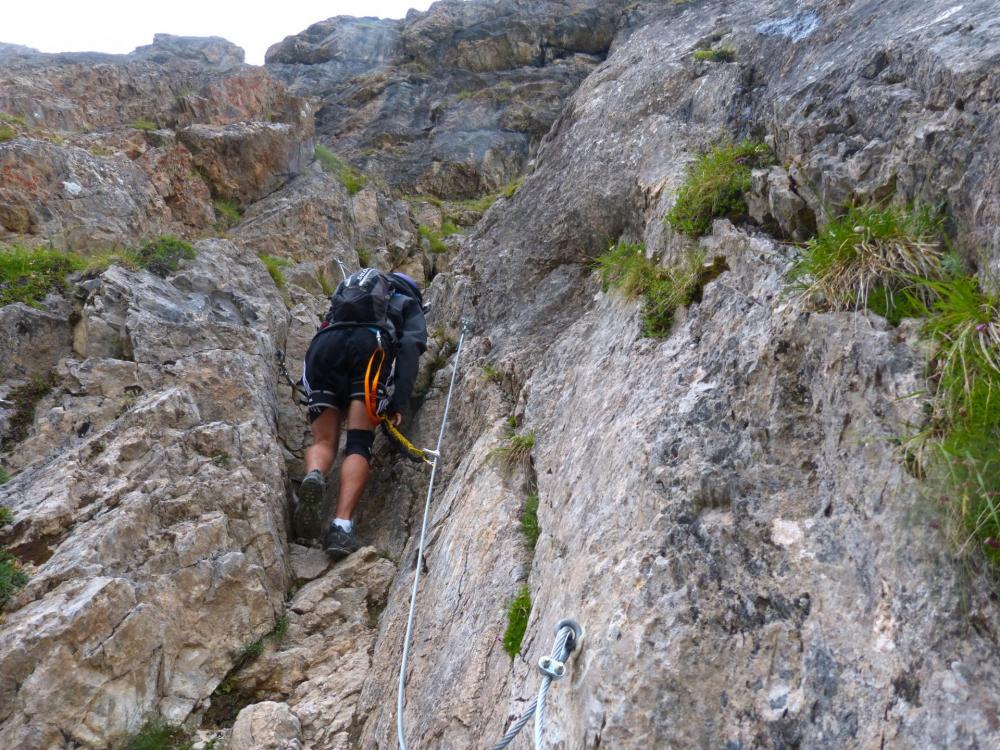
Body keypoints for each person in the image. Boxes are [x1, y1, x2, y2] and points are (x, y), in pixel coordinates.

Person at [296, 269, 427, 558]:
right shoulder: (406, 303)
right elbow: (408, 347)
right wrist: (398, 404)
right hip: (369, 348)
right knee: (358, 442)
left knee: (323, 441)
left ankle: (315, 474)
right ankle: (341, 527)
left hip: (323, 348)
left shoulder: (348, 295)